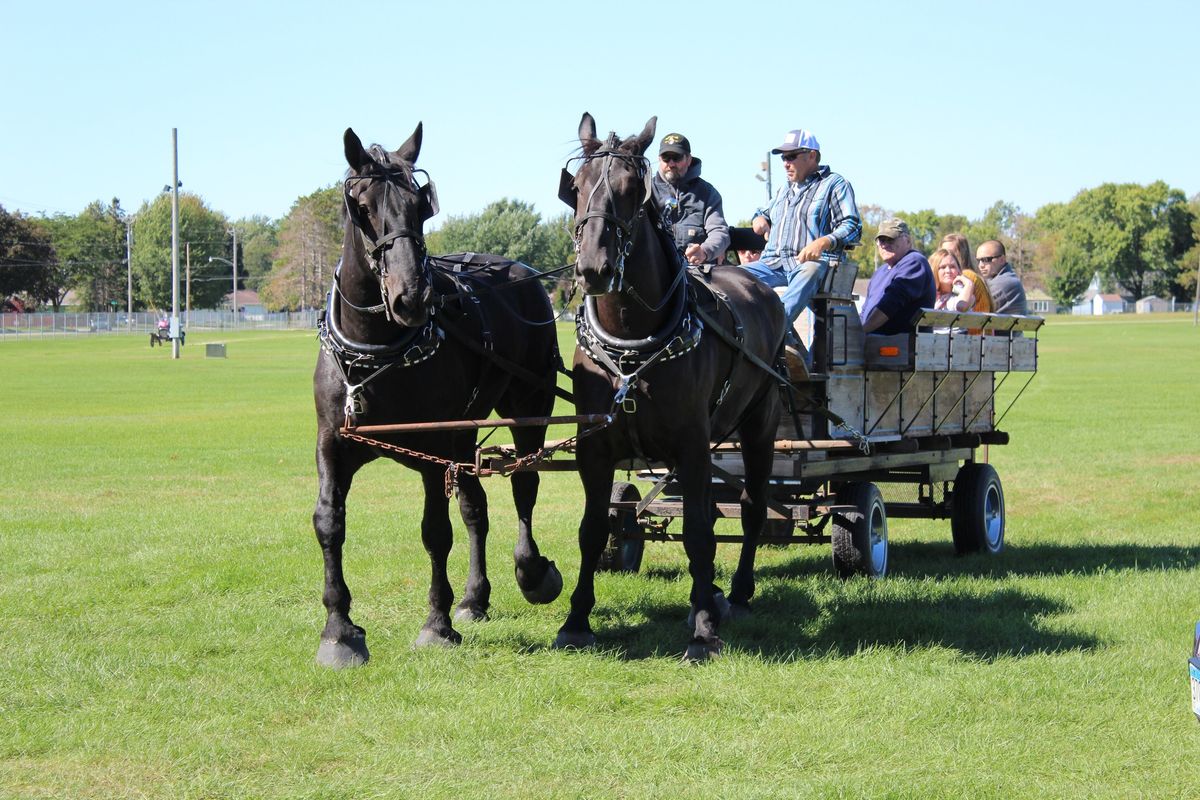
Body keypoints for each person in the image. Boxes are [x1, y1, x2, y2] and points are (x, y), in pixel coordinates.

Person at [740, 129, 861, 331]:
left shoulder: (834, 184)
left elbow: (852, 226)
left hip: (809, 264)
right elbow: (763, 212)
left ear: (812, 155)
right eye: (783, 158)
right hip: (772, 263)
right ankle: (776, 339)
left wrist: (823, 242)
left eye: (791, 156)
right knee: (732, 277)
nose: (786, 162)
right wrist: (759, 219)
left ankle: (773, 331)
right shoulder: (784, 189)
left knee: (810, 270)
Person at [650, 132, 729, 266]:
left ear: (689, 159)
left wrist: (705, 251)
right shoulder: (647, 192)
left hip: (697, 272)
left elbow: (719, 231)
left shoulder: (708, 193)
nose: (671, 163)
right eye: (666, 158)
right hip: (656, 273)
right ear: (659, 159)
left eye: (676, 157)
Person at [860, 218, 936, 335]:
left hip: (901, 347)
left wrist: (862, 331)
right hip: (873, 344)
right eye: (881, 240)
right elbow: (865, 310)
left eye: (890, 239)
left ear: (908, 241)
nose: (884, 245)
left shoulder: (914, 262)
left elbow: (891, 303)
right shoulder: (880, 272)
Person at [930, 248, 992, 333]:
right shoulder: (929, 294)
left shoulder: (965, 294)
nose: (948, 271)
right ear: (934, 270)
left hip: (956, 343)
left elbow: (961, 306)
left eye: (952, 267)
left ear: (959, 270)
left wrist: (969, 284)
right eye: (943, 267)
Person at [975, 240, 1028, 316]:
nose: (980, 265)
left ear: (1002, 260)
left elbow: (974, 304)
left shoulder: (1006, 282)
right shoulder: (998, 278)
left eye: (986, 260)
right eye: (978, 260)